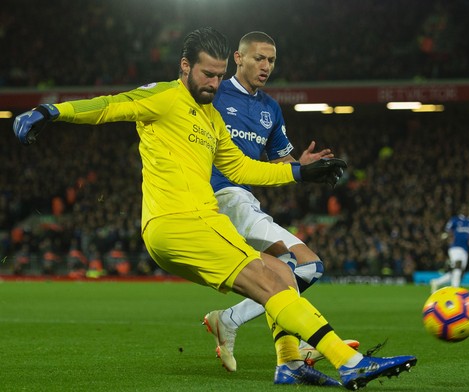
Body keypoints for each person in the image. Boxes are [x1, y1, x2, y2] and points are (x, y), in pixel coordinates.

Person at [13, 27, 416, 389]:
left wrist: (298, 175)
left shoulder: (211, 118)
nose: (213, 84)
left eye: (219, 76)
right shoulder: (164, 96)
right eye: (207, 74)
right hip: (180, 222)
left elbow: (240, 167)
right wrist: (52, 111)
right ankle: (351, 363)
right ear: (185, 66)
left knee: (283, 273)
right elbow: (108, 106)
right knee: (275, 279)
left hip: (199, 223)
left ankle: (290, 362)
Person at [203, 31, 358, 373]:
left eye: (271, 60)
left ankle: (282, 356)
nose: (266, 66)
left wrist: (300, 164)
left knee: (288, 271)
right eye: (259, 58)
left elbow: (281, 164)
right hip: (221, 196)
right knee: (308, 266)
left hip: (245, 199)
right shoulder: (213, 92)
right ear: (238, 58)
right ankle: (245, 326)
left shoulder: (270, 109)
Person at [430, 204, 469, 292]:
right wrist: (448, 237)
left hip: (465, 250)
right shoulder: (455, 220)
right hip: (455, 247)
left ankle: (437, 282)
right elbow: (447, 231)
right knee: (458, 265)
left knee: (458, 272)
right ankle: (455, 290)